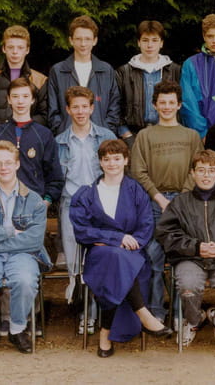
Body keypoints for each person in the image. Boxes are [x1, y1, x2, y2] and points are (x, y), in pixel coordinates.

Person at [70, 139, 171, 357]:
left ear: (126, 160)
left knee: (117, 262)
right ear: (100, 163)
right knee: (114, 259)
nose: (112, 164)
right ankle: (143, 313)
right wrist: (117, 238)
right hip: (98, 256)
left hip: (132, 254)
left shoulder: (136, 191)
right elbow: (82, 230)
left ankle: (105, 334)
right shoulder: (87, 193)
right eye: (106, 159)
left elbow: (145, 227)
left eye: (117, 158)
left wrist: (113, 241)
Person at [156, 150, 215, 348]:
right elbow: (166, 234)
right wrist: (196, 247)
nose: (206, 175)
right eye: (201, 170)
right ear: (192, 173)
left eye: (211, 170)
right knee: (188, 285)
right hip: (190, 259)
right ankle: (193, 320)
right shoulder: (179, 203)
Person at [0, 141, 51, 354]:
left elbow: (33, 241)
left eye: (8, 162)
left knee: (25, 281)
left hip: (22, 254)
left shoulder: (34, 200)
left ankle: (17, 329)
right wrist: (10, 231)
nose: (3, 167)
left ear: (17, 164)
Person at [130, 79, 202, 322]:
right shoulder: (145, 136)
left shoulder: (191, 136)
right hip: (154, 202)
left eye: (172, 103)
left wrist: (181, 198)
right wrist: (159, 198)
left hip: (184, 202)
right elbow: (138, 171)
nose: (167, 107)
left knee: (184, 257)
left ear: (179, 105)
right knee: (153, 256)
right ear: (155, 105)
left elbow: (196, 170)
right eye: (162, 103)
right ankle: (155, 312)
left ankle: (183, 314)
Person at [55, 86, 116, 333]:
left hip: (102, 204)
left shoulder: (106, 137)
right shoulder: (59, 142)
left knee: (101, 258)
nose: (80, 111)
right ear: (68, 110)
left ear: (92, 108)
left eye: (84, 106)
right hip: (71, 205)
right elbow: (56, 178)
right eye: (75, 107)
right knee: (76, 264)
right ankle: (85, 313)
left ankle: (105, 311)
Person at [0, 77, 64, 211]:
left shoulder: (44, 134)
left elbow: (55, 175)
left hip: (34, 205)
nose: (20, 101)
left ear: (33, 99)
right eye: (15, 96)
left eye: (25, 96)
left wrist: (46, 201)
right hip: (2, 205)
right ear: (9, 99)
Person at [48, 15, 121, 135]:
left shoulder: (106, 70)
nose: (83, 44)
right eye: (78, 39)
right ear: (71, 40)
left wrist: (105, 131)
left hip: (100, 138)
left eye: (87, 39)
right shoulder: (58, 71)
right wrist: (61, 131)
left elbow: (114, 107)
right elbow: (53, 109)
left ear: (95, 40)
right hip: (67, 138)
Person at [115, 20, 180, 142]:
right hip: (133, 135)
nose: (150, 45)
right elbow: (115, 105)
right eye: (145, 40)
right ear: (138, 42)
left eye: (154, 40)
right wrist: (126, 134)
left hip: (168, 134)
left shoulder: (174, 71)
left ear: (161, 43)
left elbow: (182, 104)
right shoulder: (124, 72)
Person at [0, 25, 48, 129]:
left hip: (25, 135)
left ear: (27, 50)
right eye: (10, 47)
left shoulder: (40, 80)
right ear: (4, 48)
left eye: (20, 47)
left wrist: (22, 128)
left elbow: (43, 115)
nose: (15, 51)